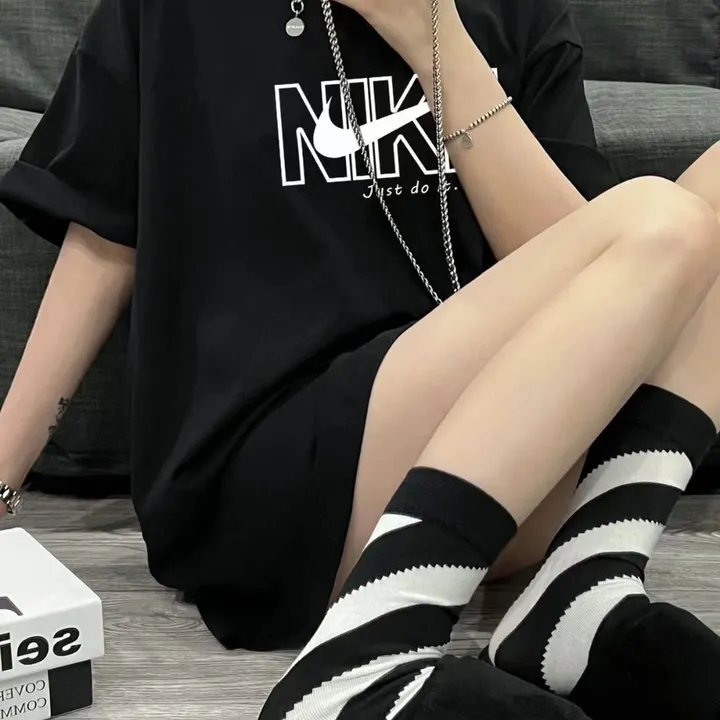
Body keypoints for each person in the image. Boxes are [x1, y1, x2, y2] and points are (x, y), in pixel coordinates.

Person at [0, 0, 719, 716]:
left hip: (503, 472)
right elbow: (103, 244)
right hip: (279, 480)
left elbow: (615, 286)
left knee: (682, 218)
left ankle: (585, 584)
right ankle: (362, 653)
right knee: (661, 223)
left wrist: (437, 39)